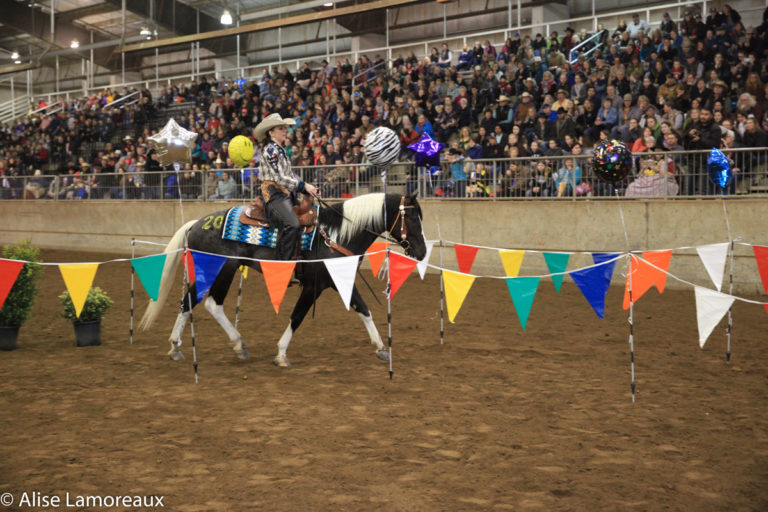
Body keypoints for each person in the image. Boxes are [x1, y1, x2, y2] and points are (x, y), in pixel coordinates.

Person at [254, 113, 320, 261]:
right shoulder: (271, 150)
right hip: (274, 195)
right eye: (281, 128)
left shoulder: (280, 150)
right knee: (293, 224)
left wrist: (309, 188)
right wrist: (304, 186)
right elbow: (279, 178)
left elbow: (290, 175)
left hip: (285, 195)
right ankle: (281, 263)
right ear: (271, 132)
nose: (285, 131)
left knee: (310, 215)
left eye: (285, 128)